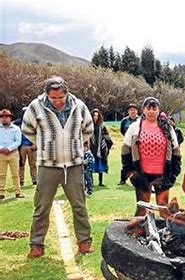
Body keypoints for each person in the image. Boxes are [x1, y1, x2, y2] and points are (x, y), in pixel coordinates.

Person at [22, 76, 94, 258]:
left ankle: (84, 242)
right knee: (41, 207)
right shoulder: (35, 107)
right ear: (46, 95)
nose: (58, 102)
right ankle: (36, 245)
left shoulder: (79, 106)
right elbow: (27, 129)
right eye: (53, 98)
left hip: (74, 165)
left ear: (66, 93)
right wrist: (46, 144)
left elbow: (88, 128)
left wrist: (75, 144)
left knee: (79, 206)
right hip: (48, 165)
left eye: (61, 97)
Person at [122, 97, 181, 216]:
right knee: (142, 210)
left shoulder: (167, 127)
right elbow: (125, 150)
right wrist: (130, 172)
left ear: (159, 110)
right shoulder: (135, 127)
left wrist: (174, 172)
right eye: (148, 108)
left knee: (164, 209)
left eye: (154, 108)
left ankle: (167, 233)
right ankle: (137, 233)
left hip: (163, 175)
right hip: (141, 174)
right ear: (143, 110)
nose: (151, 111)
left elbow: (175, 150)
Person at [0, 109, 24, 200]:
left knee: (15, 174)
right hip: (1, 154)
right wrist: (2, 148)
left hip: (13, 153)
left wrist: (9, 149)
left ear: (10, 118)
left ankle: (18, 192)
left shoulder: (16, 128)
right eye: (2, 117)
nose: (4, 119)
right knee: (1, 174)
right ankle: (1, 192)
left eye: (6, 117)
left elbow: (18, 141)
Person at [89, 109, 113, 187]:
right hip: (91, 147)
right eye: (94, 115)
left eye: (97, 116)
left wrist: (106, 142)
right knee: (90, 165)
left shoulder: (102, 125)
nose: (95, 117)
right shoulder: (88, 125)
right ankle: (90, 182)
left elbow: (106, 135)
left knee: (101, 165)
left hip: (100, 148)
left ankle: (100, 181)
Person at [14, 109, 37, 186]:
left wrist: (35, 144)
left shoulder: (34, 122)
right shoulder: (17, 123)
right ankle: (21, 180)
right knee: (21, 164)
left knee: (33, 164)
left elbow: (39, 134)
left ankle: (35, 180)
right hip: (21, 146)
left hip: (31, 145)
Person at [118, 103, 140, 185]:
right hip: (128, 143)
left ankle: (138, 179)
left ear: (137, 111)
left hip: (138, 144)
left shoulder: (140, 120)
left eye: (134, 109)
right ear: (128, 111)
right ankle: (123, 179)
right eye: (131, 110)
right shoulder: (124, 121)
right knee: (126, 161)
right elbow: (122, 130)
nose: (133, 111)